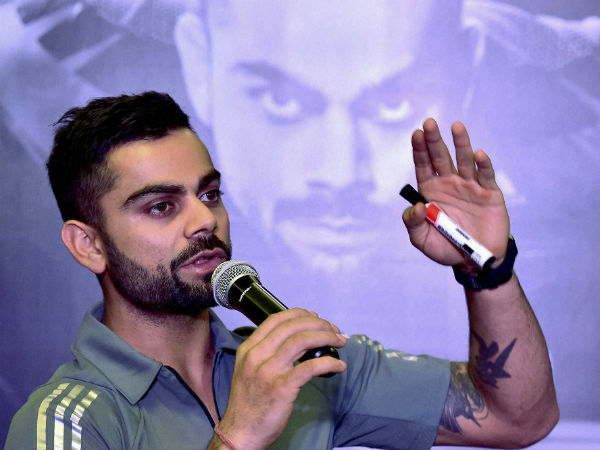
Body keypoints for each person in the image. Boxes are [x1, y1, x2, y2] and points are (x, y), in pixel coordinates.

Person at [4, 91, 558, 449]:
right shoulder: (68, 421)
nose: (205, 220)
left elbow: (517, 417)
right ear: (88, 245)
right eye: (161, 206)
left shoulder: (297, 363)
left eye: (209, 194)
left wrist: (488, 269)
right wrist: (239, 436)